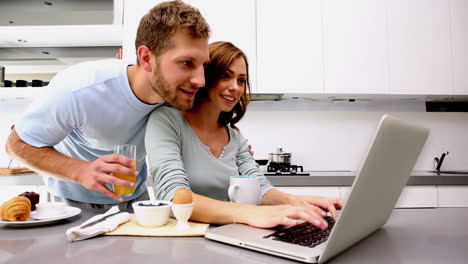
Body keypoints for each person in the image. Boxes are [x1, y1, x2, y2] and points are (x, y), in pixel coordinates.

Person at [4, 0, 211, 212]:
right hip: (69, 204)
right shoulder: (81, 88)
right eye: (186, 63)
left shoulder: (178, 95)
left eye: (203, 65)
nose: (200, 80)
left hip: (135, 199)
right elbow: (16, 145)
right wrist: (82, 171)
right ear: (147, 58)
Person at [145, 42, 342, 229]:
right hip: (182, 242)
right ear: (205, 76)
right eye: (225, 76)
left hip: (227, 237)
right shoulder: (166, 121)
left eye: (241, 80)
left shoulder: (235, 137)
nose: (236, 87)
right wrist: (249, 213)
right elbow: (172, 195)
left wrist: (304, 203)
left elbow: (261, 189)